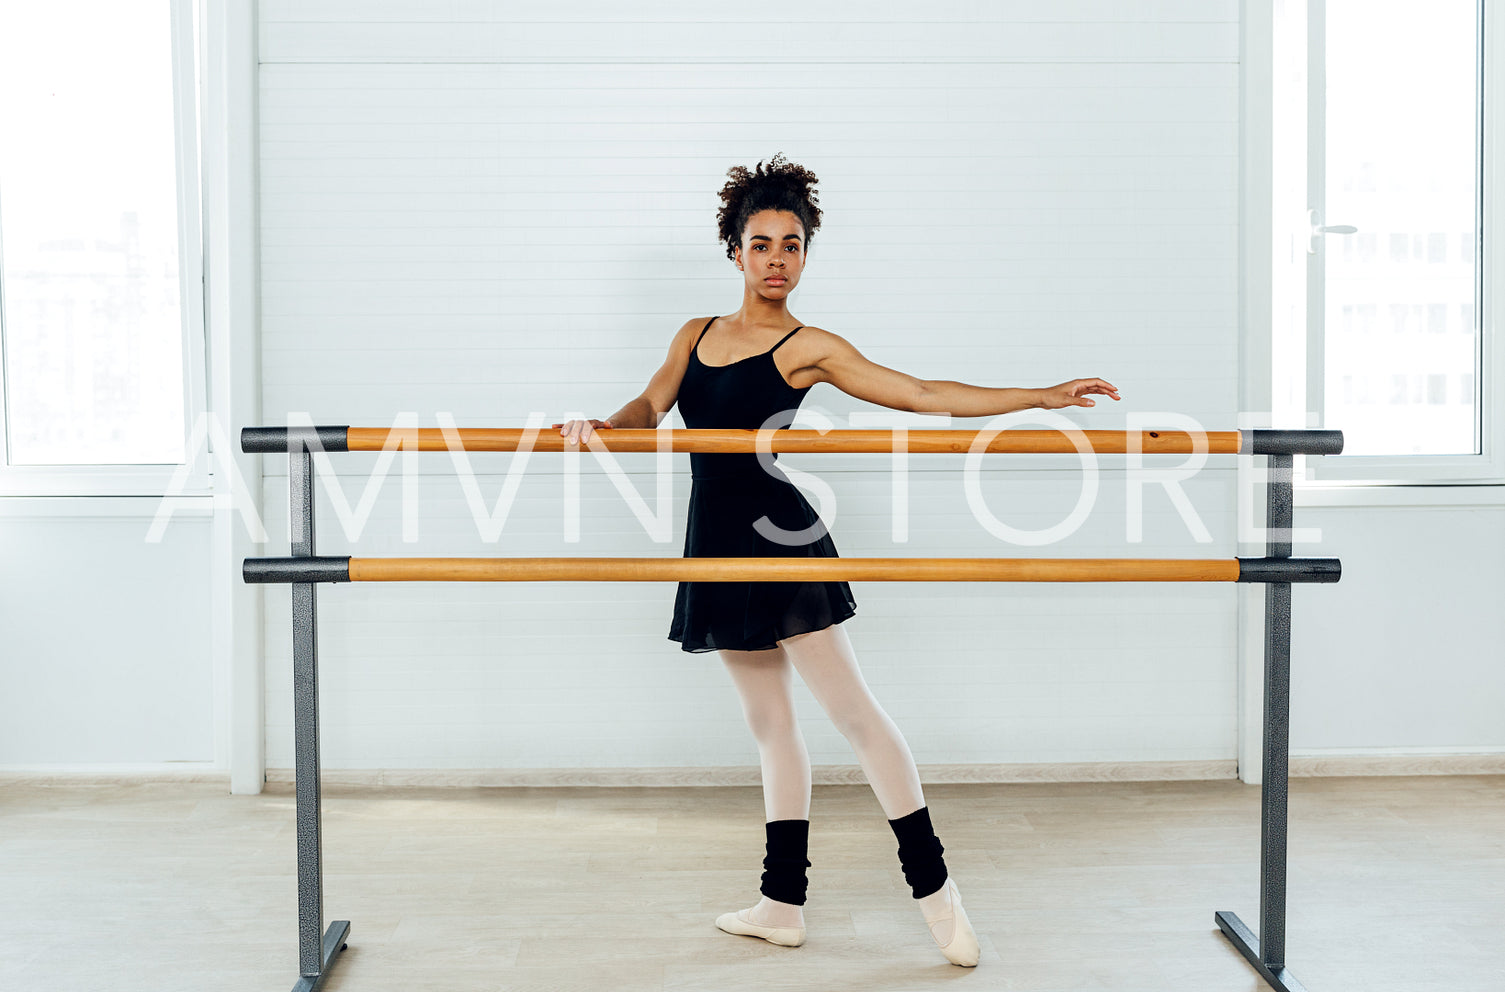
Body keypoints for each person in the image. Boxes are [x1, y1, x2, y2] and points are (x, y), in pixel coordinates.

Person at [556, 153, 1120, 967]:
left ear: (806, 254)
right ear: (734, 251)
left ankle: (937, 894)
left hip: (780, 542)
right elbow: (649, 404)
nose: (776, 259)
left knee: (854, 716)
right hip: (713, 544)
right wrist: (602, 425)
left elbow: (922, 394)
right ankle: (781, 903)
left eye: (791, 244)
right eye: (761, 244)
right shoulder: (694, 334)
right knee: (769, 725)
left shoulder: (806, 345)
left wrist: (1035, 395)